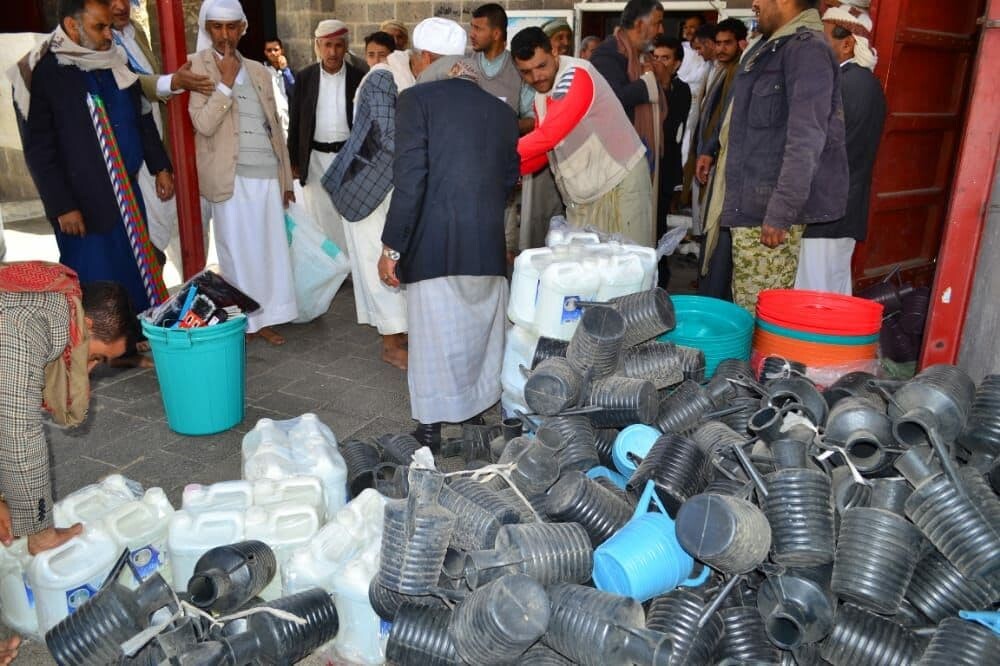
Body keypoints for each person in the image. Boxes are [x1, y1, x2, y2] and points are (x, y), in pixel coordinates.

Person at [378, 18, 519, 449]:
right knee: (478, 333)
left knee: (435, 339)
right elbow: (510, 179)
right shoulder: (501, 109)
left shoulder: (415, 100)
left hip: (433, 243)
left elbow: (411, 180)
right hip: (485, 243)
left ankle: (429, 430)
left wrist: (392, 248)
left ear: (424, 58)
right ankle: (476, 413)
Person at [18, 0, 172, 337]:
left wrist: (160, 166)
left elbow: (141, 116)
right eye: (99, 27)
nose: (108, 35)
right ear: (73, 27)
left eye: (107, 27)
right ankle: (101, 349)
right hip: (83, 206)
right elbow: (40, 150)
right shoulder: (48, 71)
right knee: (97, 278)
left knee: (135, 269)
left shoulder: (114, 61)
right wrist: (62, 206)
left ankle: (131, 342)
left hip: (127, 197)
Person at [718, 0, 848, 312]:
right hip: (752, 206)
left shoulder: (806, 50)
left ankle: (759, 364)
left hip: (767, 214)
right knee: (748, 310)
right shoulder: (772, 48)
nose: (754, 4)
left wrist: (781, 212)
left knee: (759, 317)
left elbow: (807, 139)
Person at [1, 264, 131, 555]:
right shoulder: (23, 327)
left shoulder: (49, 313)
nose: (92, 368)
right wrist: (42, 533)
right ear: (87, 326)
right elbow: (18, 433)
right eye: (96, 356)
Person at [188, 0, 298, 343]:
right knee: (236, 251)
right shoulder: (195, 67)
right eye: (218, 27)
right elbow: (202, 124)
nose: (225, 35)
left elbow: (275, 128)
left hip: (266, 172)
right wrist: (223, 85)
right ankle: (243, 322)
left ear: (242, 29)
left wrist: (285, 180)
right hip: (228, 176)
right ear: (208, 29)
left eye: (232, 27)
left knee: (269, 249)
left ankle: (268, 318)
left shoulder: (258, 69)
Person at [513, 27, 652, 246]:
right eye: (526, 72)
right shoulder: (541, 95)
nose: (536, 77)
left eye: (541, 66)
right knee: (587, 275)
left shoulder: (576, 75)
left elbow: (549, 135)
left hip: (620, 184)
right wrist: (503, 170)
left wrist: (494, 156)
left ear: (555, 53)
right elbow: (546, 153)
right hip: (585, 195)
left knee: (629, 270)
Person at [108, 0, 215, 275]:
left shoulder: (136, 34)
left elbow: (147, 101)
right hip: (132, 153)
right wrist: (173, 82)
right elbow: (131, 84)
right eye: (110, 1)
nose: (120, 6)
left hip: (157, 144)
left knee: (187, 221)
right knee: (150, 234)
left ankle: (191, 291)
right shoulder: (100, 43)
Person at [323, 35, 409, 370]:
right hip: (364, 190)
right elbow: (390, 137)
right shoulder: (381, 79)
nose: (375, 60)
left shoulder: (402, 78)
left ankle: (398, 333)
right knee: (378, 262)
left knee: (392, 259)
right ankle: (390, 344)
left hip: (389, 189)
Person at [795, 5, 885, 294]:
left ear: (847, 44)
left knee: (814, 294)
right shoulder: (868, 84)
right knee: (835, 290)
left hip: (825, 210)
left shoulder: (841, 85)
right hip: (845, 210)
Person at [287, 19, 365, 258]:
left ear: (346, 47)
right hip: (316, 159)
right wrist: (294, 161)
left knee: (350, 219)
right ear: (318, 46)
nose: (332, 52)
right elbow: (296, 121)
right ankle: (334, 270)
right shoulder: (305, 77)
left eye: (338, 45)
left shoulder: (359, 76)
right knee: (320, 219)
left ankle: (352, 269)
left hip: (349, 160)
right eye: (327, 45)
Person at [691, 18, 748, 299]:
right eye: (719, 43)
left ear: (741, 43)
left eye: (728, 43)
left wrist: (710, 151)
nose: (722, 48)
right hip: (711, 156)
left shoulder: (740, 71)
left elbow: (725, 118)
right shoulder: (720, 71)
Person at [651, 35, 691, 290]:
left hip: (664, 171)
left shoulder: (682, 90)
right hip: (642, 167)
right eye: (655, 57)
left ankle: (660, 279)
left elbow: (670, 125)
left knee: (657, 225)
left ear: (677, 63)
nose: (659, 63)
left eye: (665, 58)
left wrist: (664, 85)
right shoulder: (641, 85)